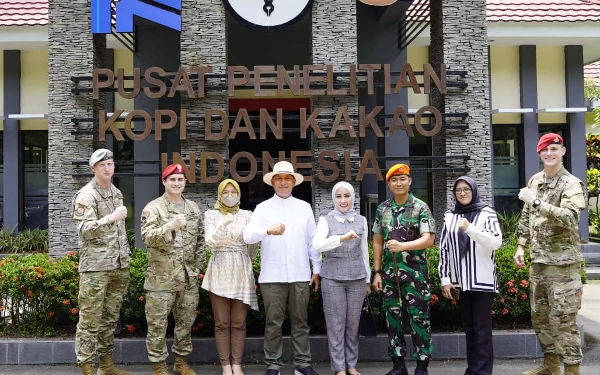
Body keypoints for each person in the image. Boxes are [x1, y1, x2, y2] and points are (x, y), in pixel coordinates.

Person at [514, 133, 587, 375]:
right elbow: (526, 217)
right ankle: (551, 365)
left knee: (564, 320)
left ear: (563, 151)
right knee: (541, 317)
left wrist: (536, 202)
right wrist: (521, 246)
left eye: (554, 149)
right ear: (539, 153)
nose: (549, 153)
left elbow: (570, 217)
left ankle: (572, 370)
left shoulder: (572, 184)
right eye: (545, 150)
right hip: (539, 262)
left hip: (563, 266)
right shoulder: (535, 180)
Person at [243, 160, 322, 375]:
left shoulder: (304, 207)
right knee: (273, 323)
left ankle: (302, 363)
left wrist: (316, 269)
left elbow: (312, 242)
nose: (284, 182)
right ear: (273, 182)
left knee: (300, 322)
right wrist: (267, 230)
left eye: (288, 178)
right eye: (279, 179)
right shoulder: (262, 208)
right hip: (272, 275)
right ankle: (273, 365)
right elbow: (247, 235)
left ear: (293, 182)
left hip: (300, 273)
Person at [140, 163, 205, 375]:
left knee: (186, 323)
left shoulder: (193, 208)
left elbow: (200, 241)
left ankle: (181, 362)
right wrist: (170, 226)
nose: (177, 183)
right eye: (172, 180)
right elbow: (147, 238)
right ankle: (159, 366)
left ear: (184, 182)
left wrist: (196, 268)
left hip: (188, 279)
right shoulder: (154, 208)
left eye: (180, 179)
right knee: (158, 325)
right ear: (164, 182)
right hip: (161, 279)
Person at [71, 148, 131, 375]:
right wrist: (110, 218)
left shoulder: (116, 193)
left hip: (117, 265)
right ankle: (87, 369)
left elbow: (119, 233)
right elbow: (84, 230)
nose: (107, 168)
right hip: (95, 268)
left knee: (109, 319)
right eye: (102, 165)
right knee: (89, 320)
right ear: (93, 168)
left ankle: (106, 366)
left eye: (110, 164)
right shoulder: (86, 195)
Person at [371, 163, 435, 375]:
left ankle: (421, 366)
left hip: (416, 275)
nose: (398, 183)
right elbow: (378, 241)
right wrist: (377, 272)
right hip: (389, 276)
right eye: (394, 180)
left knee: (419, 319)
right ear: (389, 184)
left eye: (402, 179)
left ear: (409, 181)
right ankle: (398, 366)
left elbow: (429, 239)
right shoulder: (382, 209)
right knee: (393, 319)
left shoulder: (420, 207)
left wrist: (403, 246)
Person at [438, 176, 503, 375]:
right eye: (458, 190)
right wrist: (445, 279)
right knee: (469, 328)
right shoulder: (450, 216)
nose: (463, 193)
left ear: (473, 190)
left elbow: (495, 243)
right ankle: (472, 369)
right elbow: (444, 249)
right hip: (460, 283)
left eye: (466, 189)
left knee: (482, 329)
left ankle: (483, 371)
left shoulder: (487, 213)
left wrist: (471, 229)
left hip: (482, 281)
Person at [313, 181, 370, 375]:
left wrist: (368, 279)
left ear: (353, 197)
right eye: (339, 196)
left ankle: (351, 365)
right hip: (332, 277)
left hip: (357, 276)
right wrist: (342, 238)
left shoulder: (361, 220)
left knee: (353, 325)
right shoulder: (325, 220)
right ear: (333, 199)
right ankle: (339, 368)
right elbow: (318, 245)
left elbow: (364, 252)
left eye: (347, 196)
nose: (343, 200)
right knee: (336, 325)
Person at [203, 179, 259, 375]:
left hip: (241, 271)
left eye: (232, 192)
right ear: (219, 194)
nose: (229, 195)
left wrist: (244, 260)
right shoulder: (211, 215)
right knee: (222, 323)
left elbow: (252, 246)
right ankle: (225, 365)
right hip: (219, 270)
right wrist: (222, 224)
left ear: (238, 194)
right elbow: (210, 242)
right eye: (225, 192)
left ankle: (237, 363)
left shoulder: (247, 215)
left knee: (238, 322)